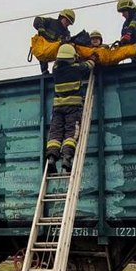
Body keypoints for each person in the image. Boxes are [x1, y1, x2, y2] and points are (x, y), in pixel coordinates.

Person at [45, 44, 95, 175]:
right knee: (71, 134)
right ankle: (67, 158)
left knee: (55, 134)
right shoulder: (76, 69)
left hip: (57, 108)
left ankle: (51, 159)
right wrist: (92, 58)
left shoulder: (55, 70)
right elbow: (89, 65)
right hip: (73, 108)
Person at [32, 9, 75, 74]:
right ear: (61, 17)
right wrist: (41, 29)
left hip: (54, 51)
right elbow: (37, 20)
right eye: (67, 21)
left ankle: (59, 69)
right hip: (43, 48)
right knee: (42, 52)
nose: (67, 24)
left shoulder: (66, 33)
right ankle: (44, 70)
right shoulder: (50, 22)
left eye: (69, 23)